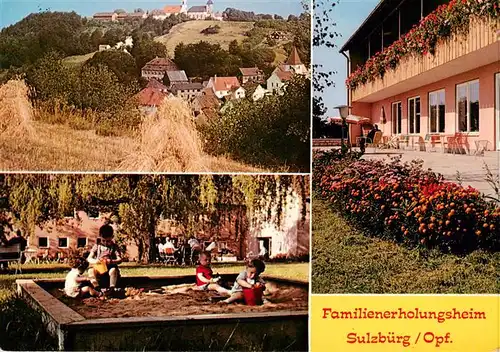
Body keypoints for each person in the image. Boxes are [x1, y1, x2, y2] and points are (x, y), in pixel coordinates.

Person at [87, 224, 122, 296]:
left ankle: (111, 288)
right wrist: (96, 261)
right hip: (100, 269)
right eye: (103, 241)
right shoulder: (97, 246)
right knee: (90, 270)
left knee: (113, 270)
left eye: (108, 241)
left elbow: (120, 259)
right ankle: (97, 287)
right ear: (100, 237)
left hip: (110, 269)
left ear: (112, 237)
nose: (106, 243)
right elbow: (89, 258)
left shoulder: (114, 247)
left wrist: (112, 261)